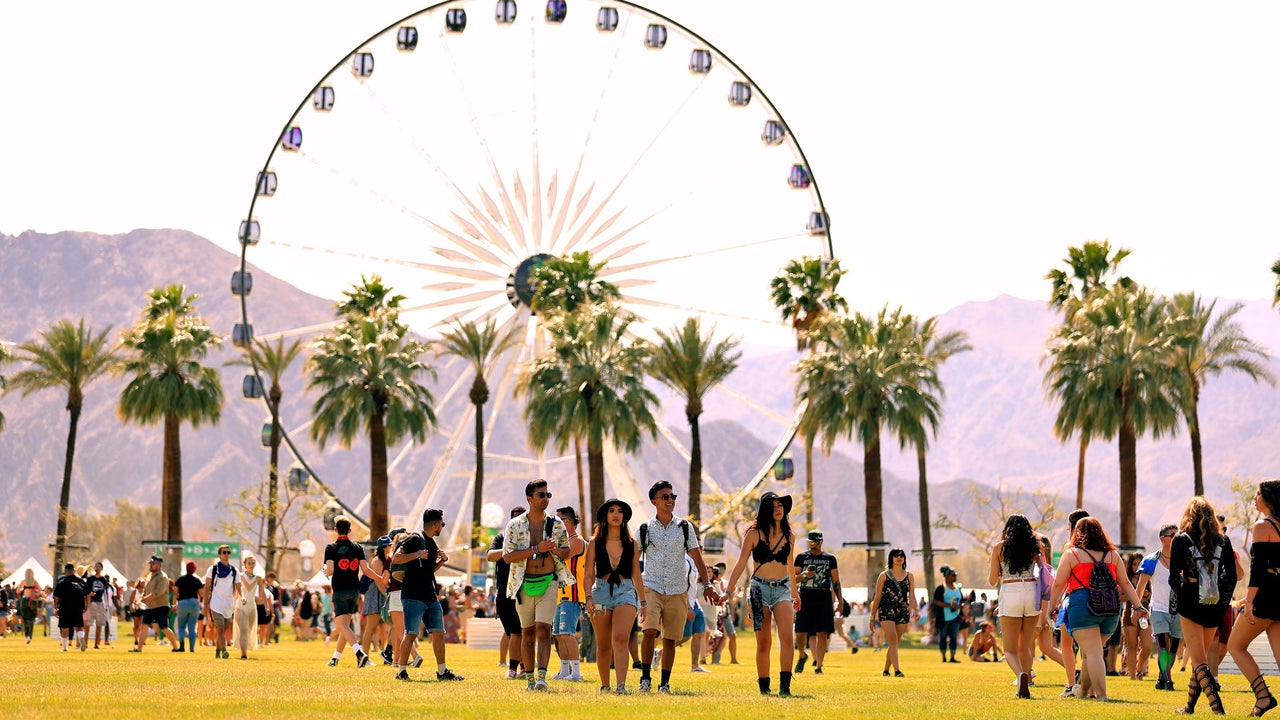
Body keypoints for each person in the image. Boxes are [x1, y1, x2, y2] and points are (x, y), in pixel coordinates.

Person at [1048, 517, 1149, 703]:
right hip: (1110, 609)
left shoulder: (1072, 555)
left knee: (1092, 653)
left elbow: (1058, 585)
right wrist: (1138, 606)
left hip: (1082, 606)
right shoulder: (1112, 555)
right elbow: (1125, 583)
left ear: (1078, 533)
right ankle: (1083, 691)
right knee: (1091, 653)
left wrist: (1051, 607)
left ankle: (1101, 696)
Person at [638, 480, 715, 695]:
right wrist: (636, 588)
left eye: (673, 497)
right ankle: (645, 678)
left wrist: (707, 584)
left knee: (670, 638)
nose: (670, 500)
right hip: (651, 586)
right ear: (654, 501)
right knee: (649, 631)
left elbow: (697, 556)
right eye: (665, 497)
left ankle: (664, 684)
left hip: (677, 589)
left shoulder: (684, 527)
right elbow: (634, 560)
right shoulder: (644, 528)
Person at [502, 479, 575, 691]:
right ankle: (530, 679)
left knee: (544, 630)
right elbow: (507, 557)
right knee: (527, 634)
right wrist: (537, 548)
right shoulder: (515, 525)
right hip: (523, 585)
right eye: (541, 495)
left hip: (549, 582)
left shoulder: (556, 524)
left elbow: (566, 551)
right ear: (529, 499)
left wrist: (553, 550)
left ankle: (542, 678)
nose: (545, 498)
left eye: (547, 495)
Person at [724, 490, 798, 697]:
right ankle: (764, 688)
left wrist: (795, 593)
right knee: (764, 642)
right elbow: (740, 564)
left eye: (781, 506)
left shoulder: (789, 535)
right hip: (759, 589)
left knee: (786, 637)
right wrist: (729, 591)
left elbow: (790, 566)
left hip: (783, 589)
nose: (778, 509)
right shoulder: (753, 533)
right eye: (774, 506)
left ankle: (785, 687)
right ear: (766, 510)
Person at [1168, 496, 1237, 715]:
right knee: (1201, 659)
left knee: (1198, 661)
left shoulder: (1180, 540)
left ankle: (1218, 708)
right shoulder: (1223, 540)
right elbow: (1232, 576)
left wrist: (1180, 599)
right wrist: (1223, 601)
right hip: (1214, 603)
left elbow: (1173, 577)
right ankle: (1189, 708)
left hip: (1190, 601)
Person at [1228, 478, 1280, 717]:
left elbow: (1258, 570)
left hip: (1266, 596)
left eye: (1257, 494)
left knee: (1235, 646)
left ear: (1268, 498)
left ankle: (1263, 697)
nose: (1254, 498)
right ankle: (1263, 699)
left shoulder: (1262, 527)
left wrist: (1248, 601)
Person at [393, 508, 464, 682]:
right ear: (436, 524)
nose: (442, 528)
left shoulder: (432, 543)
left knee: (439, 633)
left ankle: (442, 671)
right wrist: (417, 554)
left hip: (430, 595)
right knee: (410, 633)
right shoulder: (415, 539)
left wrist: (441, 561)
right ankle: (401, 671)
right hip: (412, 595)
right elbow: (396, 558)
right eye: (442, 524)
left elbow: (428, 570)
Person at [583, 498, 646, 694]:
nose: (616, 514)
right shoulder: (594, 542)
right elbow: (588, 573)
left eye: (619, 511)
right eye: (612, 510)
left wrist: (643, 601)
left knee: (620, 639)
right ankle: (605, 686)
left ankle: (621, 686)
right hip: (600, 592)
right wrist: (588, 597)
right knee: (603, 644)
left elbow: (636, 573)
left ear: (624, 516)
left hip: (626, 591)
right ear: (605, 516)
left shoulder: (632, 543)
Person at [988, 513, 1043, 699]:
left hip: (1010, 590)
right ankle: (1027, 679)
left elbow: (991, 580)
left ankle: (1021, 676)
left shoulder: (999, 548)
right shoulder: (1035, 546)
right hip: (1032, 590)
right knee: (1026, 646)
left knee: (1010, 649)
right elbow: (1044, 570)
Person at [322, 516, 380, 667]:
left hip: (340, 590)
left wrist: (324, 570)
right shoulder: (358, 548)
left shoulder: (331, 548)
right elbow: (366, 570)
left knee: (341, 625)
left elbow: (330, 571)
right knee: (345, 625)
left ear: (335, 530)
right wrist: (379, 578)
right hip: (354, 590)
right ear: (349, 530)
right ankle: (335, 658)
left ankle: (359, 653)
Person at [487, 506, 527, 678]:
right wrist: (510, 550)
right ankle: (515, 667)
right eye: (515, 519)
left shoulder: (529, 540)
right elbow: (490, 556)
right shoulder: (500, 538)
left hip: (524, 592)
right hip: (504, 592)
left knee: (522, 631)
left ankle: (520, 668)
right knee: (511, 632)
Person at [793, 530, 840, 675]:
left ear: (822, 542)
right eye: (812, 542)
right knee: (800, 632)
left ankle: (819, 666)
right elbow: (793, 579)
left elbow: (836, 581)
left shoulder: (830, 558)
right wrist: (804, 575)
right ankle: (802, 654)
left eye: (817, 542)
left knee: (822, 632)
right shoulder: (801, 557)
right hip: (805, 597)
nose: (814, 545)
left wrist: (840, 600)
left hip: (823, 598)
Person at [551, 505, 588, 681]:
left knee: (567, 634)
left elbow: (563, 556)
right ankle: (565, 670)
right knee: (558, 635)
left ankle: (577, 673)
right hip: (560, 594)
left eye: (558, 520)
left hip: (572, 594)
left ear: (567, 521)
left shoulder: (576, 540)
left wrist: (548, 547)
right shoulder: (563, 540)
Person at [868, 547, 914, 677]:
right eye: (896, 555)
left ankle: (886, 670)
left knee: (894, 642)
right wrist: (872, 618)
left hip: (902, 611)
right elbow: (877, 597)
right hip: (886, 610)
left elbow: (912, 596)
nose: (899, 557)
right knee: (892, 639)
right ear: (891, 558)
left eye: (901, 555)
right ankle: (897, 671)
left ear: (904, 559)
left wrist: (914, 608)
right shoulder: (884, 576)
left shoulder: (910, 576)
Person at [203, 546, 241, 658]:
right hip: (216, 603)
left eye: (228, 552)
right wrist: (206, 603)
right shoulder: (213, 569)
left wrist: (242, 597)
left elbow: (238, 586)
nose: (226, 554)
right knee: (219, 628)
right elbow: (207, 587)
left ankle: (217, 651)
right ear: (219, 554)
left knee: (223, 629)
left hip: (228, 604)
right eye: (224, 552)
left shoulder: (234, 571)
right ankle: (224, 650)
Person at [1121, 552, 1153, 680]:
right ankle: (1133, 676)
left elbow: (1151, 596)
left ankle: (1140, 668)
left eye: (1139, 564)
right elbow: (1119, 596)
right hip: (1129, 613)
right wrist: (1133, 596)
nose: (1137, 566)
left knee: (1147, 645)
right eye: (1134, 564)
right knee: (1132, 646)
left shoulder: (1146, 578)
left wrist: (1147, 595)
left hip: (1145, 614)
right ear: (1130, 565)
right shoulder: (1125, 579)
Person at [140, 555, 181, 653]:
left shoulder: (163, 577)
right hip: (149, 607)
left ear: (158, 565)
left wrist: (146, 598)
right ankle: (139, 649)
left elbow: (159, 592)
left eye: (152, 564)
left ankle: (175, 647)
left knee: (164, 628)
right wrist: (142, 597)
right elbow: (146, 589)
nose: (151, 565)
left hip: (161, 606)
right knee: (144, 626)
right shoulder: (149, 576)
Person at [359, 535, 391, 662]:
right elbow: (379, 581)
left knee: (383, 627)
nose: (391, 547)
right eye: (389, 545)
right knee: (370, 628)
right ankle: (364, 657)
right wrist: (386, 594)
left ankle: (387, 653)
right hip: (375, 595)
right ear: (384, 547)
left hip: (381, 594)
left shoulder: (386, 559)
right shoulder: (377, 561)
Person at [233, 555, 265, 660]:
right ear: (245, 565)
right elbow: (238, 590)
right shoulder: (239, 576)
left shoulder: (259, 578)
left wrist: (267, 606)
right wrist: (239, 599)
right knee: (244, 629)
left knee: (249, 630)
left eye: (253, 563)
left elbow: (262, 593)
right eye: (249, 563)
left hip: (252, 607)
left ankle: (244, 649)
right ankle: (243, 654)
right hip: (240, 605)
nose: (251, 565)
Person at [53, 563, 89, 652]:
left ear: (66, 572)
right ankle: (81, 638)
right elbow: (88, 593)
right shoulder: (81, 581)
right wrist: (86, 606)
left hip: (65, 607)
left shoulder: (62, 582)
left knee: (64, 627)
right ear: (74, 571)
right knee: (79, 626)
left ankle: (64, 648)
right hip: (78, 606)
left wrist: (56, 608)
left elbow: (56, 597)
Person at [933, 565, 963, 663]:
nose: (954, 576)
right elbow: (936, 601)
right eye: (952, 575)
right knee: (943, 637)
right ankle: (944, 657)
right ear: (946, 576)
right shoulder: (941, 588)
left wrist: (959, 606)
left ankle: (952, 657)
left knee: (954, 637)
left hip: (955, 617)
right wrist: (949, 605)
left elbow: (961, 601)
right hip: (944, 618)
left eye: (955, 575)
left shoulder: (958, 588)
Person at [174, 561, 203, 652]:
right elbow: (202, 594)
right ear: (194, 569)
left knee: (181, 627)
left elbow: (175, 593)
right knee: (192, 627)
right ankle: (191, 648)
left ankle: (182, 645)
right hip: (194, 603)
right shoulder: (197, 580)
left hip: (182, 603)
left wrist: (174, 604)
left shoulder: (179, 580)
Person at [85, 562, 111, 649]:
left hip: (100, 602)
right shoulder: (90, 579)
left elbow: (106, 592)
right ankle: (85, 642)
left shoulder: (103, 580)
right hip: (91, 602)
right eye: (96, 567)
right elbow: (86, 590)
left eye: (99, 567)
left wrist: (106, 605)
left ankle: (96, 643)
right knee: (88, 623)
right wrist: (88, 597)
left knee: (99, 623)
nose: (97, 569)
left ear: (101, 569)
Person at [18, 568, 41, 644]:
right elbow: (40, 590)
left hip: (25, 600)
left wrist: (22, 589)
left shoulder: (23, 582)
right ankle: (30, 636)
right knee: (31, 620)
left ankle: (27, 636)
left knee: (26, 619)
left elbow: (18, 591)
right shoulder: (35, 581)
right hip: (33, 601)